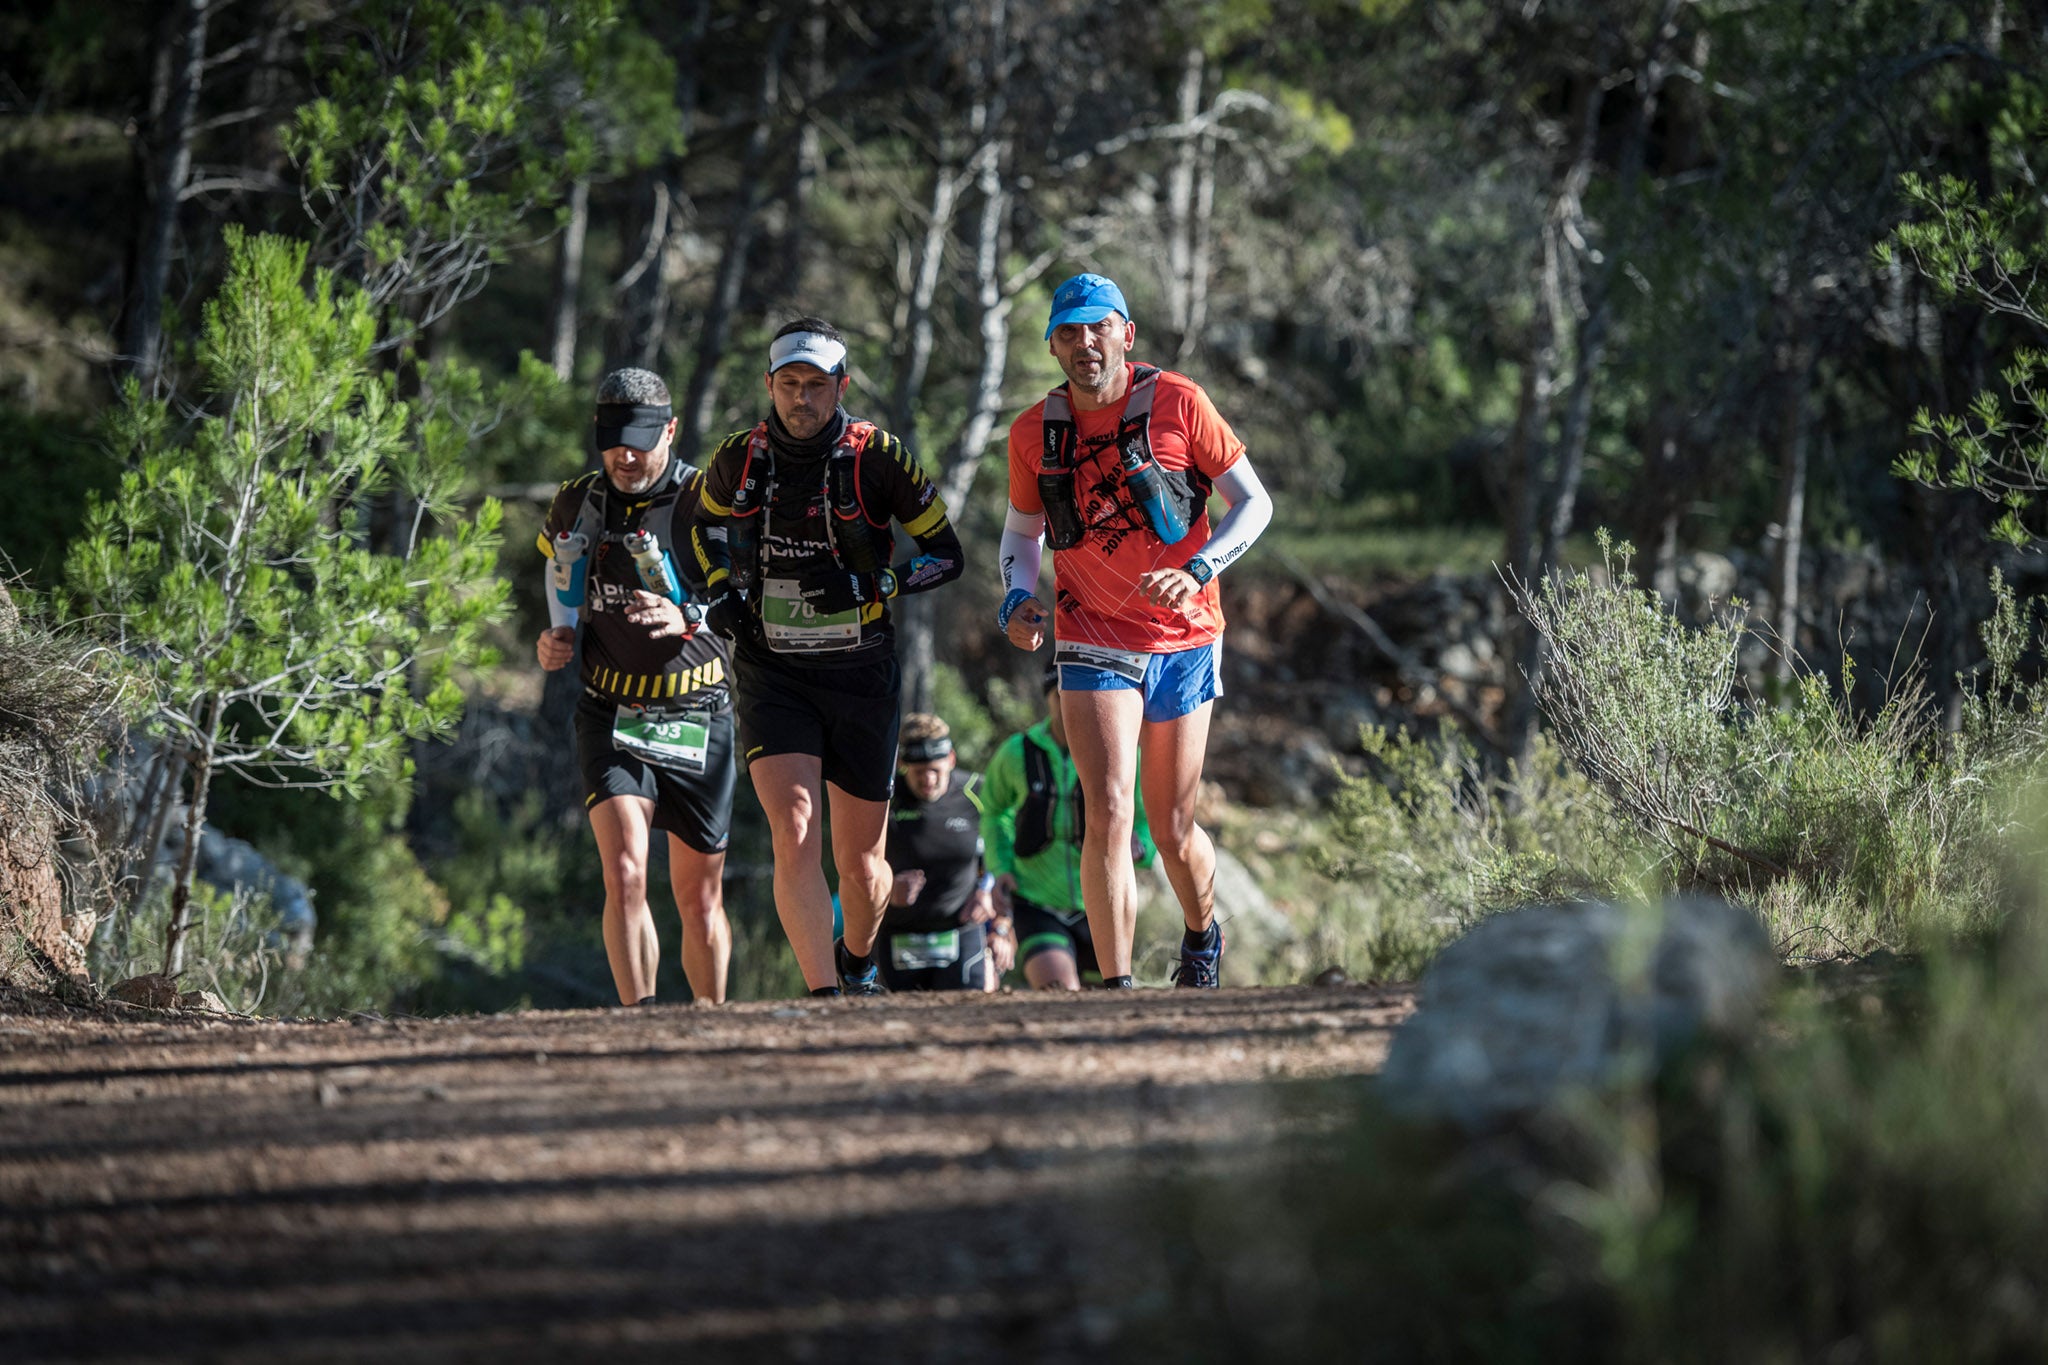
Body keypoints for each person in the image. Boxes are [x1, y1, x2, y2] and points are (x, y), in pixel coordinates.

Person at [998, 272, 1272, 988]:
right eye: (1068, 331)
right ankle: (1117, 990)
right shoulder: (1032, 432)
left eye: (1098, 327)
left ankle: (1201, 931)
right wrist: (1016, 597)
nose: (1084, 342)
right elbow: (1022, 534)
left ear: (1127, 334)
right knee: (1108, 806)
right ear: (1053, 344)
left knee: (1172, 828)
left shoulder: (1180, 403)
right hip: (1089, 630)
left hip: (1184, 636)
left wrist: (1202, 566)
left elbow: (1256, 505)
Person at [690, 318, 965, 996]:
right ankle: (822, 995)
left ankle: (859, 959)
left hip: (860, 672)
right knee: (794, 827)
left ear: (840, 386)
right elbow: (697, 527)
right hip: (771, 669)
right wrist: (720, 589)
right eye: (790, 385)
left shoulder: (879, 457)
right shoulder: (740, 457)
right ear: (770, 385)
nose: (802, 399)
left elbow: (946, 554)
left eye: (817, 385)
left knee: (863, 861)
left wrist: (880, 582)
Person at [537, 367, 735, 1006]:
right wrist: (559, 631)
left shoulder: (707, 499)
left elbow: (745, 592)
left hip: (698, 709)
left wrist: (690, 615)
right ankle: (640, 1018)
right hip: (610, 708)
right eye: (614, 439)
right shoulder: (577, 499)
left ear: (671, 431)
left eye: (643, 439)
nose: (626, 455)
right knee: (625, 872)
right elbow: (559, 565)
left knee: (697, 894)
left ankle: (712, 1021)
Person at [983, 663, 1158, 989]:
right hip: (1038, 902)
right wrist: (1001, 865)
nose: (1069, 704)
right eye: (1060, 695)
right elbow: (994, 812)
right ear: (1047, 698)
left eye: (1079, 694)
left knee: (1104, 1004)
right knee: (1061, 991)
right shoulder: (1017, 752)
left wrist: (1142, 849)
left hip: (1104, 906)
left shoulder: (1121, 755)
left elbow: (1149, 817)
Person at [878, 714, 1015, 992]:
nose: (928, 779)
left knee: (969, 1017)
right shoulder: (883, 799)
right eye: (918, 772)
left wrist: (986, 892)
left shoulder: (977, 792)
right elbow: (855, 863)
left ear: (951, 759)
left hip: (959, 930)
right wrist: (888, 887)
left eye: (936, 770)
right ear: (903, 765)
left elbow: (1006, 852)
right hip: (895, 933)